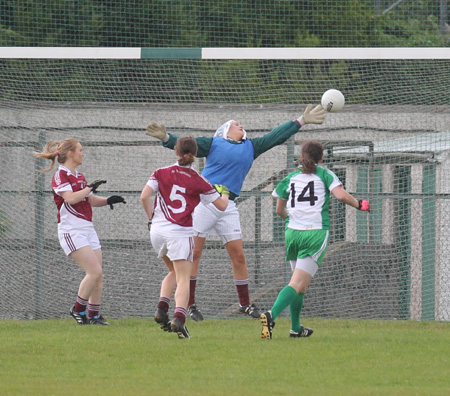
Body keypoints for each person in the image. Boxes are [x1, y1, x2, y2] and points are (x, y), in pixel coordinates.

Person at [145, 104, 326, 321]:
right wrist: (166, 137)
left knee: (239, 256)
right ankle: (189, 305)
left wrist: (301, 120)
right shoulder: (214, 143)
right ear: (224, 130)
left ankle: (245, 304)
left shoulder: (251, 146)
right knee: (194, 254)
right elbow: (187, 146)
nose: (241, 125)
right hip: (205, 203)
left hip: (228, 205)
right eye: (235, 124)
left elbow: (276, 136)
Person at [260, 140, 370, 339]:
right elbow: (341, 195)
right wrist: (359, 204)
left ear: (301, 157)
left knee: (300, 285)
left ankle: (295, 328)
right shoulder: (325, 174)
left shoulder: (290, 177)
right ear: (321, 158)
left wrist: (293, 220)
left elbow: (279, 210)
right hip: (315, 234)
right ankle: (270, 315)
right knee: (296, 283)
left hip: (292, 234)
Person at [140, 136, 229, 339]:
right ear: (196, 154)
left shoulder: (160, 172)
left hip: (157, 232)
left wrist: (151, 218)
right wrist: (224, 193)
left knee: (173, 271)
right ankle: (179, 318)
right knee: (184, 278)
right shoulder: (198, 180)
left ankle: (162, 308)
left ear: (175, 152)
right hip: (179, 233)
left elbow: (144, 196)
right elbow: (222, 206)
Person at [33, 139, 126, 325]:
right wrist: (89, 188)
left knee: (98, 275)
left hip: (87, 229)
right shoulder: (61, 175)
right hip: (71, 231)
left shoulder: (79, 176)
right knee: (94, 271)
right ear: (70, 153)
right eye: (80, 150)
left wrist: (108, 200)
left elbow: (89, 200)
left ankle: (94, 316)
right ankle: (77, 310)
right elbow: (70, 199)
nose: (83, 154)